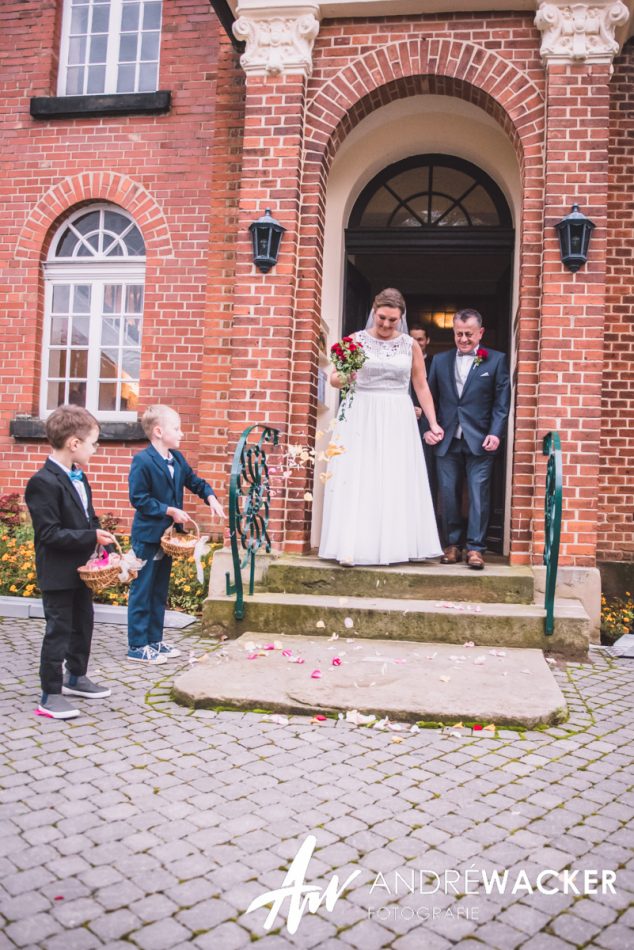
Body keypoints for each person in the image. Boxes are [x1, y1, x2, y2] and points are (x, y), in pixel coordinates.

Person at [319, 288, 444, 565]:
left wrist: (433, 423)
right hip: (361, 412)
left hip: (397, 414)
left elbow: (420, 384)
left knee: (394, 477)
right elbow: (334, 380)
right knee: (359, 476)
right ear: (374, 312)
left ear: (401, 317)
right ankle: (352, 546)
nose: (387, 325)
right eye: (382, 318)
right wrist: (346, 377)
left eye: (393, 320)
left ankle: (395, 546)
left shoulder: (410, 344)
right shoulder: (354, 341)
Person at [25, 405, 117, 720]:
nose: (96, 448)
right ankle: (49, 694)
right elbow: (50, 533)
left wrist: (99, 547)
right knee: (59, 630)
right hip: (57, 572)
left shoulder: (80, 477)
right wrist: (90, 537)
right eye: (93, 442)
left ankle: (76, 677)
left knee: (83, 624)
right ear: (73, 444)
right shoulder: (43, 482)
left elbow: (88, 519)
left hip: (82, 570)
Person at [127, 405, 225, 663]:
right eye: (177, 428)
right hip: (147, 537)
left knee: (159, 590)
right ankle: (137, 645)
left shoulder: (177, 459)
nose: (181, 433)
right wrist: (170, 510)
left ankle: (154, 640)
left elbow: (194, 481)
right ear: (158, 432)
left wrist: (210, 497)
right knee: (142, 589)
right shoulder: (142, 461)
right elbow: (139, 499)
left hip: (169, 539)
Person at [426, 308, 511, 570]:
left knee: (478, 494)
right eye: (459, 334)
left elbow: (501, 403)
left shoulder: (495, 361)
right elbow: (429, 398)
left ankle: (476, 548)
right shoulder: (439, 361)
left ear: (480, 333)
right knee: (448, 494)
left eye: (469, 334)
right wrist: (429, 429)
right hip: (447, 438)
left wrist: (496, 433)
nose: (463, 339)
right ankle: (451, 545)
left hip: (481, 439)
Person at [409, 323, 437, 505]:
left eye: (420, 339)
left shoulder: (436, 363)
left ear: (427, 340)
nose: (417, 343)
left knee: (427, 474)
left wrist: (425, 415)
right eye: (414, 339)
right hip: (401, 423)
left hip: (426, 429)